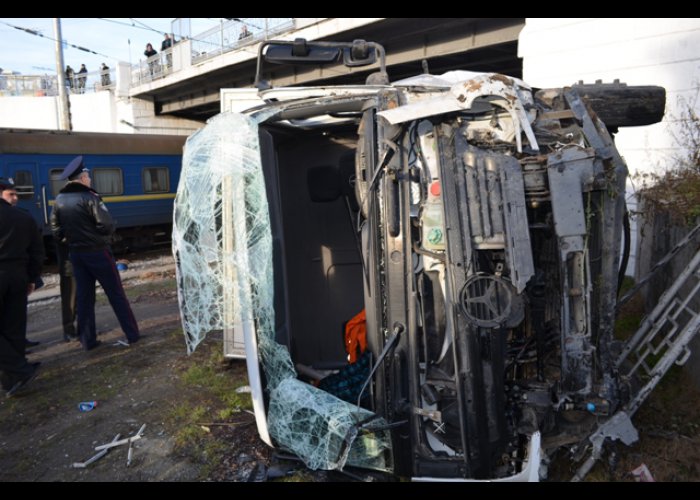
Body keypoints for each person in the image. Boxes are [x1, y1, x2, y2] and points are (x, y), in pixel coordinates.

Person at [50, 157, 140, 351]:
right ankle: (132, 334)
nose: (90, 179)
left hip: (76, 255)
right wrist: (98, 239)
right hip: (98, 253)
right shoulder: (90, 197)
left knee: (84, 298)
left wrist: (72, 241)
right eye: (88, 176)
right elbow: (106, 225)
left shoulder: (59, 200)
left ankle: (87, 340)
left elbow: (56, 231)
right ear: (82, 178)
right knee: (116, 294)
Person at [0, 178, 44, 397]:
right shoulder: (23, 217)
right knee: (14, 327)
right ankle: (12, 380)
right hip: (18, 276)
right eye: (11, 194)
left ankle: (19, 371)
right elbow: (37, 251)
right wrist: (32, 277)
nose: (15, 198)